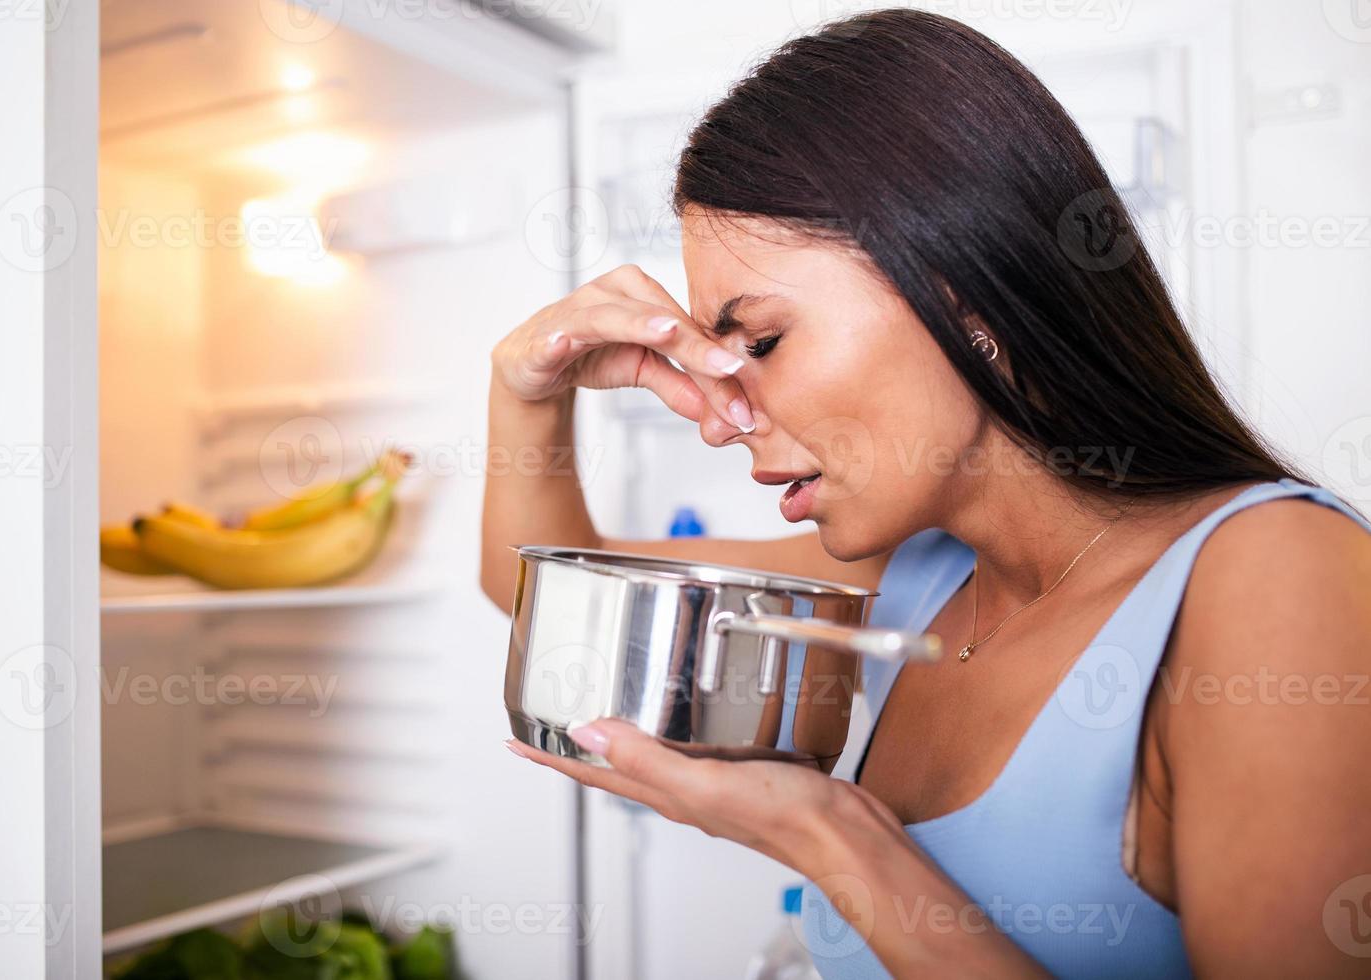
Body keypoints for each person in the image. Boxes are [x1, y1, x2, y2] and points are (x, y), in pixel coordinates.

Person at [480, 10, 1371, 977]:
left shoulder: (1280, 581)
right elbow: (538, 592)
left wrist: (836, 840)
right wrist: (525, 394)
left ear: (964, 292)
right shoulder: (920, 572)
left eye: (764, 344)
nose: (723, 415)